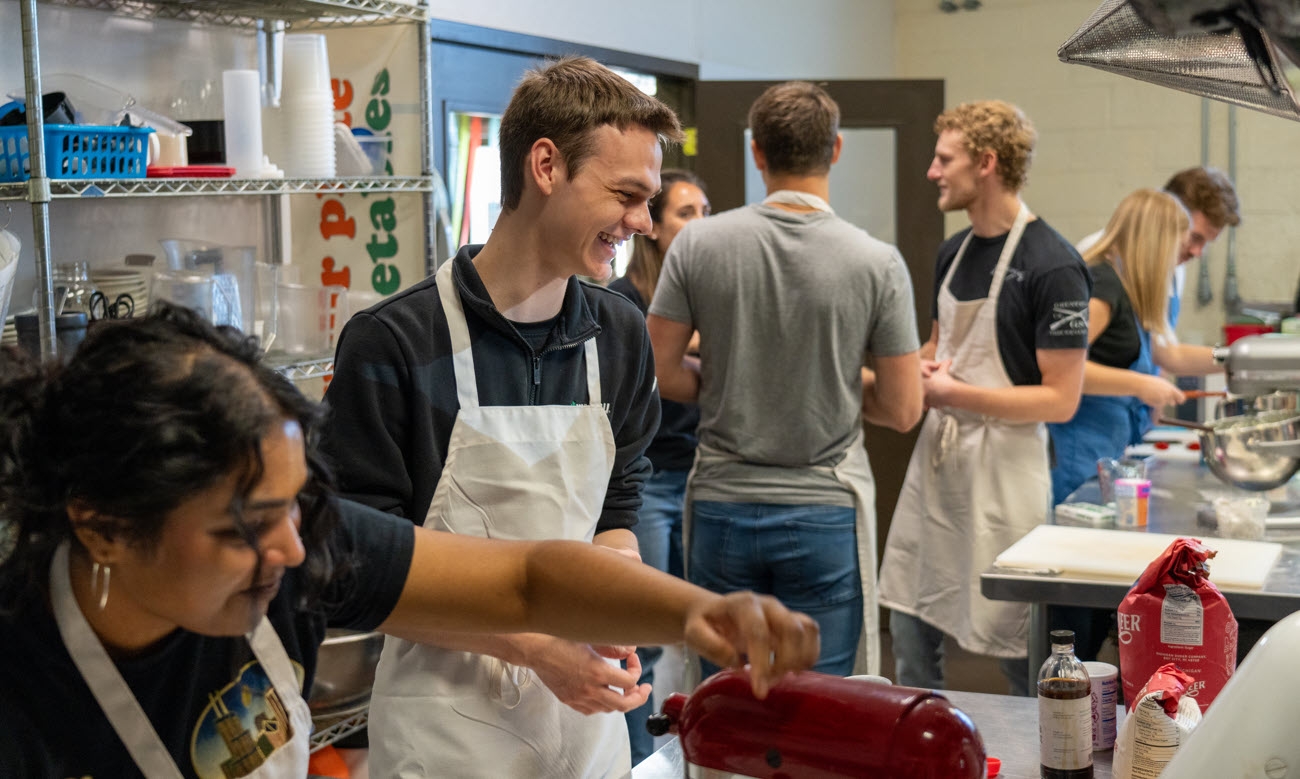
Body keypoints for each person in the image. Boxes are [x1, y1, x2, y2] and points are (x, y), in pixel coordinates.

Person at [0, 306, 820, 779]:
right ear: (101, 523)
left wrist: (700, 611)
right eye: (243, 526)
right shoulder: (25, 676)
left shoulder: (299, 550)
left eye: (297, 503)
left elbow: (528, 580)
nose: (291, 547)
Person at [320, 56, 681, 778]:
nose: (643, 222)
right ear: (546, 166)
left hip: (587, 733)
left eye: (649, 200)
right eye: (626, 195)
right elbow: (357, 576)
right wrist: (534, 644)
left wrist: (610, 607)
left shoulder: (618, 331)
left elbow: (617, 505)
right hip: (446, 732)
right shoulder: (395, 341)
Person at [647, 81, 924, 681]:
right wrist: (836, 389)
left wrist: (728, 384)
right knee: (821, 706)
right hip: (823, 508)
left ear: (758, 154)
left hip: (722, 503)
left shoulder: (698, 244)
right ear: (837, 150)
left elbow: (660, 370)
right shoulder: (877, 262)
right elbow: (904, 408)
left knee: (725, 700)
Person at [877, 100, 1092, 696]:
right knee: (913, 622)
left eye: (944, 159)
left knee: (1013, 640)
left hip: (1006, 470)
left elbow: (1060, 399)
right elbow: (940, 344)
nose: (932, 171)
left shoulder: (1053, 265)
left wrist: (956, 392)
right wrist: (921, 367)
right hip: (941, 461)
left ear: (988, 163)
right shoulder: (954, 253)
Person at [606, 168, 710, 766]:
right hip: (648, 487)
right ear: (655, 228)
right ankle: (635, 763)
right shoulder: (625, 297)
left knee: (699, 636)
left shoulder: (702, 295)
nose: (699, 224)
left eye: (705, 211)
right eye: (685, 213)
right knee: (637, 639)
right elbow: (649, 362)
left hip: (701, 480)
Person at [1050, 189, 1193, 505]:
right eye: (1175, 250)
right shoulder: (1102, 286)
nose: (1174, 262)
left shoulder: (1127, 288)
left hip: (1106, 452)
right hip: (1078, 456)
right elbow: (1061, 368)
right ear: (1156, 244)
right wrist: (1140, 384)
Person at [1078, 166, 1241, 374]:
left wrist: (1237, 357)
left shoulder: (1172, 267)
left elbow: (1166, 352)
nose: (1196, 252)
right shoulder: (1102, 272)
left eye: (1206, 243)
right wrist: (1141, 386)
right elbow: (1068, 365)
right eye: (1194, 237)